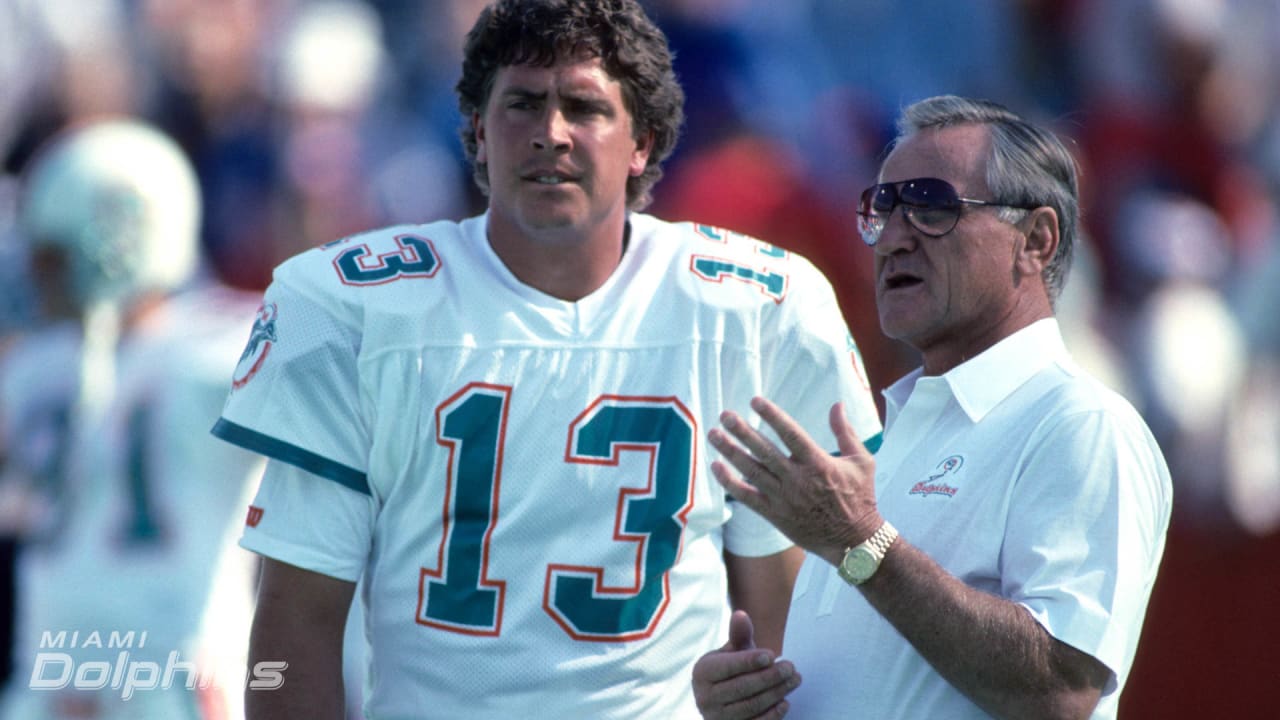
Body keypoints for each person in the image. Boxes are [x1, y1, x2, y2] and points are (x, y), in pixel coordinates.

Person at [209, 1, 882, 718]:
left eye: (584, 108)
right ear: (476, 130)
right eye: (522, 105)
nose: (549, 134)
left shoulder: (752, 310)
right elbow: (294, 625)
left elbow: (782, 623)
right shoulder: (356, 311)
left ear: (642, 143)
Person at [691, 95, 1173, 720]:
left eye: (930, 207)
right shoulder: (892, 440)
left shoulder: (1080, 424)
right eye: (881, 209)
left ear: (1036, 239)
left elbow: (1061, 688)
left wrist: (860, 541)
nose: (890, 239)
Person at [0, 120, 265, 719]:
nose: (39, 277)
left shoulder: (218, 354)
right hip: (52, 688)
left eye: (54, 257)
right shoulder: (41, 367)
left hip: (172, 683)